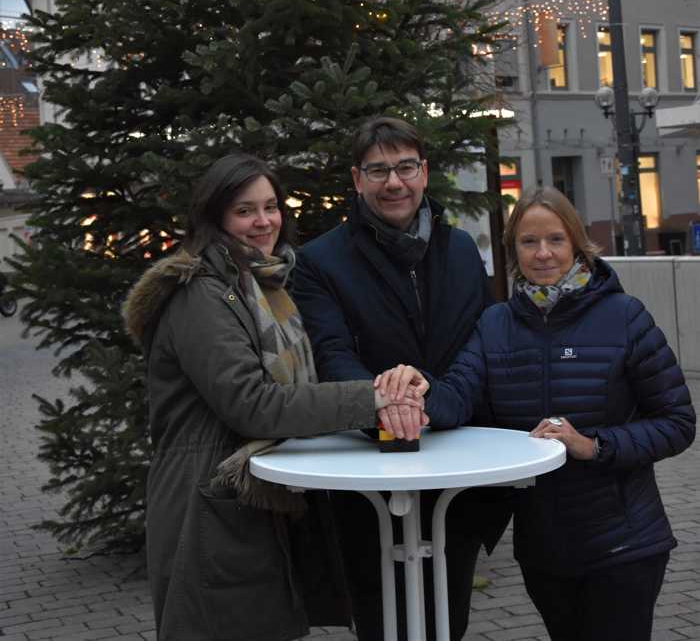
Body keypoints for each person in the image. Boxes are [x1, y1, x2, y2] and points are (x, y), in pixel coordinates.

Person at [123, 153, 422, 641]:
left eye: (271, 206)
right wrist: (373, 397)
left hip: (246, 498)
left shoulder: (261, 284)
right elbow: (253, 404)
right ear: (215, 216)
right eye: (245, 210)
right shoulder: (200, 294)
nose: (263, 222)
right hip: (208, 504)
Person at [376, 185, 696, 641]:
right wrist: (421, 388)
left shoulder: (624, 315)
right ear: (513, 250)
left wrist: (593, 446)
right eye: (528, 242)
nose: (543, 253)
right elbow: (458, 395)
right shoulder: (495, 325)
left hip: (624, 543)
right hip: (543, 549)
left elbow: (678, 423)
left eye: (556, 240)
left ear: (577, 244)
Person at [293, 116, 509, 641]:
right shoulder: (320, 261)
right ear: (357, 179)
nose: (395, 183)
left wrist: (432, 395)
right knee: (379, 616)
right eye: (379, 170)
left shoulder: (460, 249)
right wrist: (386, 405)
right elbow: (332, 353)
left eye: (406, 167)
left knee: (448, 613)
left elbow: (478, 345)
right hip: (369, 466)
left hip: (456, 459)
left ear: (425, 172)